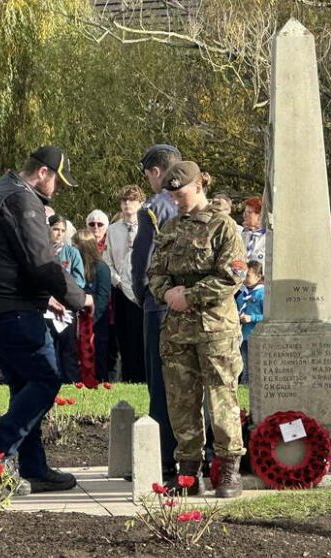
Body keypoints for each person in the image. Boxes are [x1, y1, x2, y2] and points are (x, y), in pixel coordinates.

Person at [0, 145, 92, 494]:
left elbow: (7, 256)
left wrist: (47, 297)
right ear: (43, 173)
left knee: (24, 384)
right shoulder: (22, 199)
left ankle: (33, 467)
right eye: (57, 181)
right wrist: (81, 299)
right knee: (46, 379)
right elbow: (41, 262)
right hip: (8, 307)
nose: (57, 190)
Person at [148, 160, 247, 498]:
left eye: (181, 193)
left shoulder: (223, 226)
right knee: (181, 400)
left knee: (221, 397)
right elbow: (155, 273)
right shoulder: (170, 228)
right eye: (172, 195)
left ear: (199, 186)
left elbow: (232, 275)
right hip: (177, 329)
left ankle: (228, 470)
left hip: (215, 327)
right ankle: (189, 472)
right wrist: (167, 294)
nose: (176, 199)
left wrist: (188, 296)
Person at [131, 143, 181, 479]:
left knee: (160, 384)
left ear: (156, 172)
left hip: (159, 306)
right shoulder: (194, 204)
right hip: (190, 304)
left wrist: (143, 296)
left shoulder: (153, 208)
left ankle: (162, 457)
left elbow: (142, 263)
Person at [103, 185, 146, 383]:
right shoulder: (113, 230)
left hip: (142, 288)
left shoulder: (147, 228)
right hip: (120, 289)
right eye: (124, 200)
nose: (127, 204)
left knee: (142, 334)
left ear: (141, 203)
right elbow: (107, 260)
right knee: (124, 334)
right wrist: (118, 282)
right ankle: (129, 377)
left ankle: (144, 377)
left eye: (132, 200)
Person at [45, 214, 85, 384]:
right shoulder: (41, 252)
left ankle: (71, 381)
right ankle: (49, 381)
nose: (59, 233)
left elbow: (79, 280)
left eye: (62, 230)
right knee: (48, 346)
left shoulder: (72, 252)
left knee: (68, 348)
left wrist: (64, 294)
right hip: (46, 307)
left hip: (65, 308)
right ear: (48, 229)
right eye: (55, 229)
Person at [73, 228, 112, 382]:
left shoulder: (101, 268)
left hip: (95, 322)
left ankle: (99, 382)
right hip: (77, 319)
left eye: (75, 245)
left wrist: (91, 320)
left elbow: (103, 297)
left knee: (98, 356)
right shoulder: (76, 267)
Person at [236, 260, 264, 385]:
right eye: (243, 275)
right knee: (244, 365)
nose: (245, 279)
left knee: (256, 365)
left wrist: (252, 318)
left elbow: (268, 317)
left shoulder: (263, 294)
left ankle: (254, 385)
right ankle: (244, 383)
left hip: (257, 336)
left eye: (248, 275)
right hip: (243, 337)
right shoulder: (241, 295)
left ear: (258, 277)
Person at [241, 196, 266, 265]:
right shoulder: (241, 234)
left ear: (260, 216)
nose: (245, 215)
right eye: (245, 212)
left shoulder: (268, 238)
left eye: (249, 212)